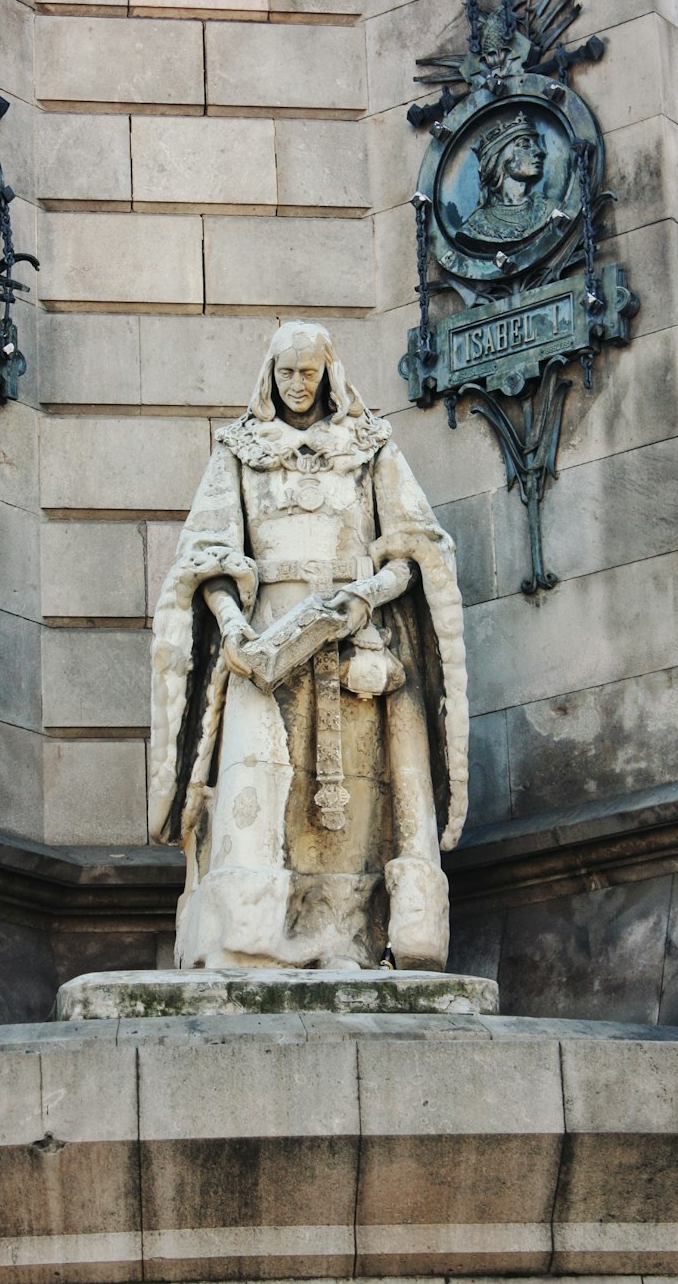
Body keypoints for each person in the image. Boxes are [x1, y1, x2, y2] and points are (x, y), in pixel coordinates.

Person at [148, 321, 469, 971]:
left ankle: (343, 943)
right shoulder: (237, 450)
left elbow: (417, 550)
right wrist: (235, 630)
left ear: (329, 373)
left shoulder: (371, 445)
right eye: (287, 372)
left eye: (309, 372)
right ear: (269, 375)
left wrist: (365, 596)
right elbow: (206, 559)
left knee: (349, 808)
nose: (298, 385)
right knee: (256, 790)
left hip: (353, 638)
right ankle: (247, 940)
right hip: (262, 641)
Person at [459, 110, 553, 246]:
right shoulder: (472, 229)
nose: (539, 152)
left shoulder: (550, 209)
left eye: (536, 145)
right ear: (500, 158)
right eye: (525, 145)